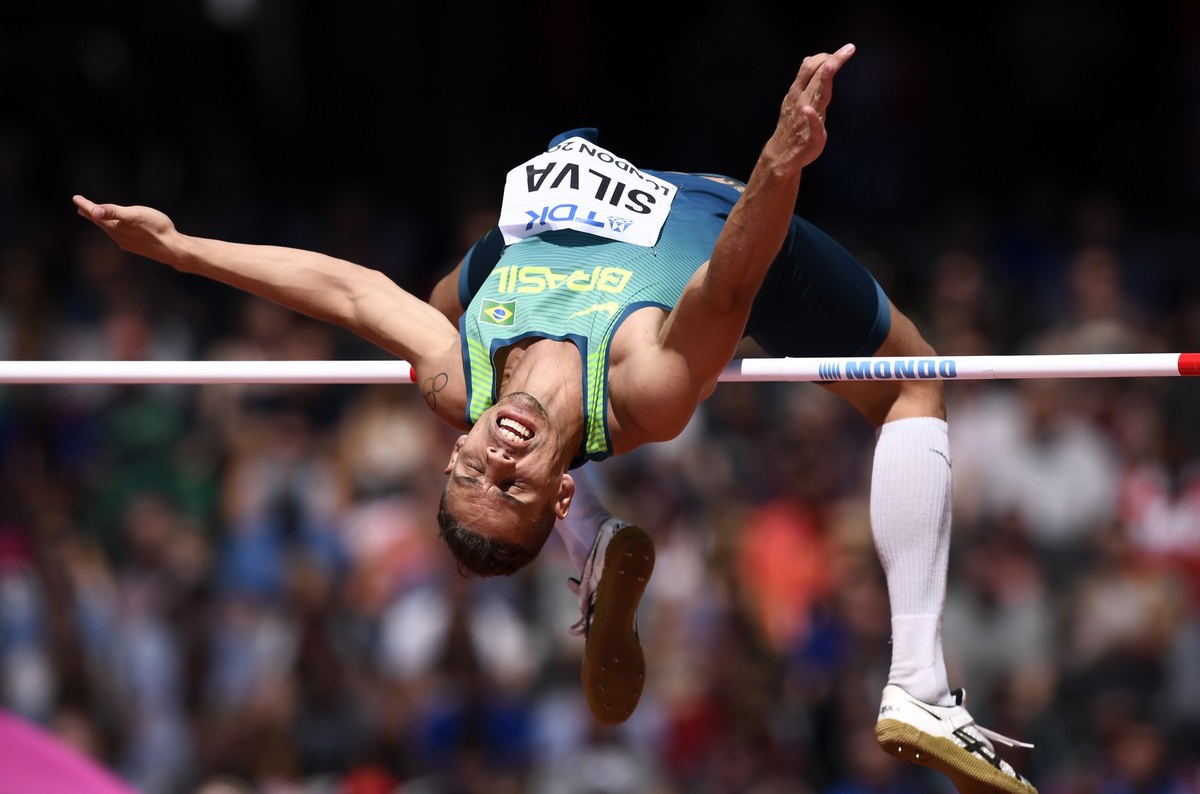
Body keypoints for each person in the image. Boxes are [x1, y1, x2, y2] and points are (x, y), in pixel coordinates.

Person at [73, 44, 1036, 794]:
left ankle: (590, 548)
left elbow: (351, 290)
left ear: (455, 446)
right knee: (911, 383)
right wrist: (780, 160)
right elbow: (732, 278)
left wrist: (181, 249)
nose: (499, 455)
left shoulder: (461, 377)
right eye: (517, 485)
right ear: (556, 481)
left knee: (447, 298)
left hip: (541, 228)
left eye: (474, 471)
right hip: (729, 224)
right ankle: (919, 678)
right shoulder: (645, 388)